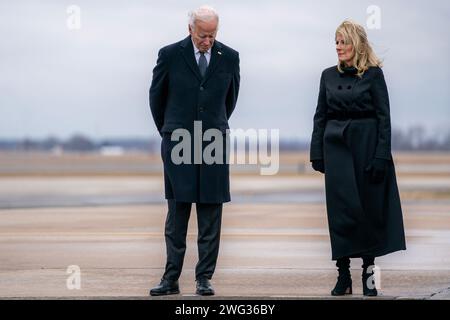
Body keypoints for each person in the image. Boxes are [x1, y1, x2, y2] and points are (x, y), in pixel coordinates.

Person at [148, 5, 240, 296]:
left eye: (212, 35)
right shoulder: (170, 55)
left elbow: (230, 100)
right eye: (202, 35)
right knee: (178, 213)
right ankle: (170, 278)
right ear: (190, 29)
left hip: (214, 141)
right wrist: (172, 130)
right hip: (178, 143)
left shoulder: (230, 57)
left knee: (211, 212)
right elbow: (156, 98)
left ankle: (204, 278)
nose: (207, 41)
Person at [310, 20, 406, 296]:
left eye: (344, 42)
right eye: (336, 42)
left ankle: (368, 273)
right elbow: (320, 116)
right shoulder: (327, 75)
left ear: (357, 43)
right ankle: (342, 275)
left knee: (367, 211)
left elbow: (384, 119)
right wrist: (316, 152)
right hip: (336, 148)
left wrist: (381, 156)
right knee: (340, 214)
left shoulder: (374, 75)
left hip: (366, 146)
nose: (339, 47)